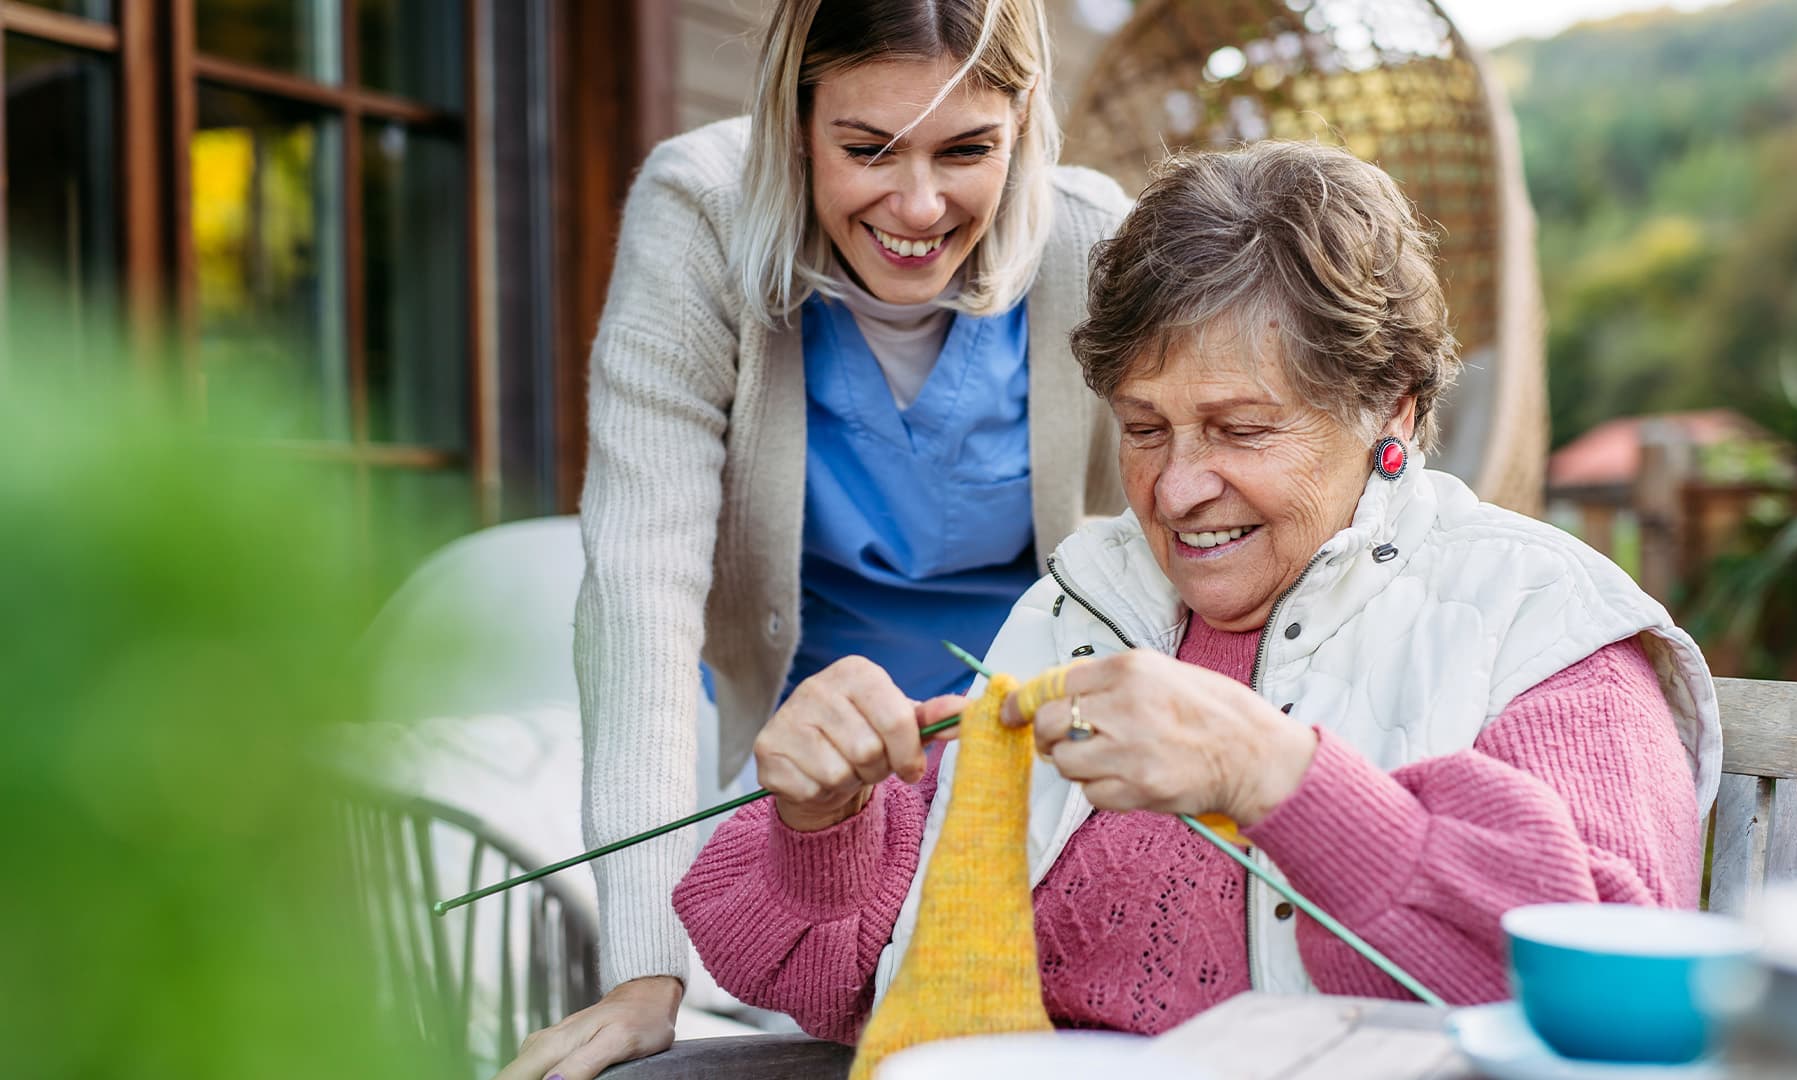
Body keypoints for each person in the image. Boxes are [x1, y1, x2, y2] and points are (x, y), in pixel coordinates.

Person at [672, 140, 1722, 1038]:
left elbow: (1614, 1012)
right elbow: (824, 983)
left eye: (1239, 428)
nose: (1174, 490)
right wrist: (823, 822)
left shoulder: (1537, 622)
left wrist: (1277, 777)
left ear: (1391, 414)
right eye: (1143, 428)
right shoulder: (1085, 603)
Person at [500, 0, 1131, 1075]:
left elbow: (1162, 554)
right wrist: (645, 972)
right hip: (812, 793)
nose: (920, 204)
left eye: (967, 149)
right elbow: (640, 598)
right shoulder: (698, 214)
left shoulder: (1088, 241)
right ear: (794, 123)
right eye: (868, 149)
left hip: (1046, 787)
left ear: (1023, 122)